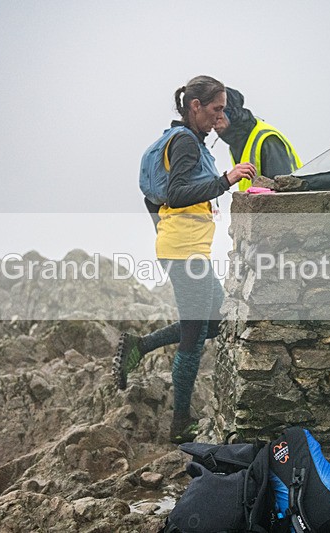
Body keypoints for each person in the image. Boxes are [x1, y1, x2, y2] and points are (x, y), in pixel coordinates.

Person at [113, 75, 256, 444]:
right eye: (216, 109)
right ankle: (180, 428)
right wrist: (226, 179)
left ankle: (140, 346)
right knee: (193, 337)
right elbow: (175, 193)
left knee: (214, 323)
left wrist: (163, 231)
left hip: (186, 249)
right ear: (196, 106)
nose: (220, 115)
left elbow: (154, 197)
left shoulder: (186, 141)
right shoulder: (186, 145)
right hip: (184, 252)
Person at [214, 87, 302, 189]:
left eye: (217, 115)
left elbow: (281, 194)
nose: (212, 122)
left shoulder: (267, 140)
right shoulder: (238, 142)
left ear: (231, 113)